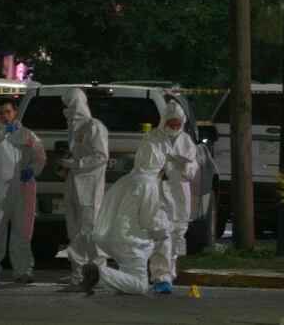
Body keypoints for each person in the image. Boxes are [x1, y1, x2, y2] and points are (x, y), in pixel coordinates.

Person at [81, 135, 169, 295]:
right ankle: (99, 273)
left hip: (111, 236)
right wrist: (163, 230)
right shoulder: (148, 183)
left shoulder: (126, 179)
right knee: (140, 286)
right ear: (159, 167)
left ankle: (102, 276)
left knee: (128, 276)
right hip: (130, 241)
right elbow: (148, 220)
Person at [0, 97, 46, 283]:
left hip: (21, 190)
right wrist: (6, 132)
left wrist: (33, 170)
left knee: (21, 232)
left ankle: (23, 271)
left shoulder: (28, 135)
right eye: (1, 113)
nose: (5, 116)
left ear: (15, 112)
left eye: (8, 112)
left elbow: (39, 156)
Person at [58, 88, 109, 285]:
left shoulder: (93, 126)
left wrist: (77, 164)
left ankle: (99, 274)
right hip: (73, 183)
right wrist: (66, 166)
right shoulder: (73, 127)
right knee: (74, 232)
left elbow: (101, 156)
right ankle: (78, 274)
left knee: (89, 231)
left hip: (89, 185)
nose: (67, 110)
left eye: (69, 105)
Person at [148, 100, 199, 294]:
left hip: (179, 195)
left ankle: (169, 273)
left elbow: (193, 169)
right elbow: (145, 161)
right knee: (162, 235)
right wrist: (163, 167)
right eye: (172, 124)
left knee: (176, 236)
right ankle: (160, 277)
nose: (175, 128)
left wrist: (184, 165)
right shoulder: (152, 138)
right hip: (159, 192)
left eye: (179, 125)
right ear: (165, 122)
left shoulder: (186, 141)